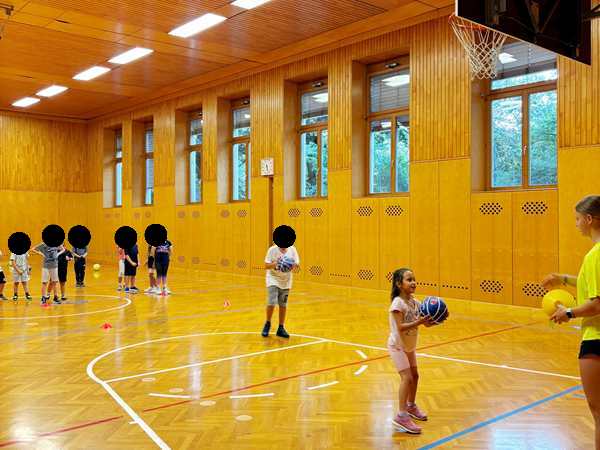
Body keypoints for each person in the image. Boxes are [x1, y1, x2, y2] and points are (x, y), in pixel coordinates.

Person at [543, 195, 600, 450]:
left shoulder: (595, 255)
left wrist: (568, 313)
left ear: (589, 219)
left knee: (598, 412)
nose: (575, 224)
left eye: (577, 219)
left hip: (596, 340)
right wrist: (564, 279)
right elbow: (592, 285)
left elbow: (597, 304)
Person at [388, 268, 435, 434]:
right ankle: (401, 416)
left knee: (415, 376)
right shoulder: (397, 304)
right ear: (399, 284)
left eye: (414, 279)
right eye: (409, 280)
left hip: (409, 346)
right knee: (406, 378)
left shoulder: (416, 302)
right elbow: (400, 327)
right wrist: (419, 322)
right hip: (397, 346)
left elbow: (425, 322)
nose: (413, 282)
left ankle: (410, 406)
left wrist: (436, 318)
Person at [261, 242, 299, 338]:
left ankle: (281, 328)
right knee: (272, 301)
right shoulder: (272, 250)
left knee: (283, 304)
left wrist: (291, 265)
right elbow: (266, 266)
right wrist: (277, 263)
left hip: (286, 281)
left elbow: (297, 266)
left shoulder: (292, 249)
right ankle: (267, 324)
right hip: (272, 278)